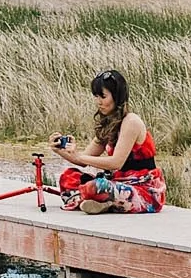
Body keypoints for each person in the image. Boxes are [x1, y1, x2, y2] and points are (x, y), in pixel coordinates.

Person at [38, 70, 165, 215]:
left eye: (103, 96)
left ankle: (94, 201)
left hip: (143, 189)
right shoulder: (108, 123)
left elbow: (115, 163)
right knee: (68, 177)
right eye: (96, 96)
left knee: (98, 186)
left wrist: (79, 156)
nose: (99, 102)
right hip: (118, 183)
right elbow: (82, 160)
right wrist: (60, 150)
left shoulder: (131, 121)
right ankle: (101, 203)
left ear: (117, 97)